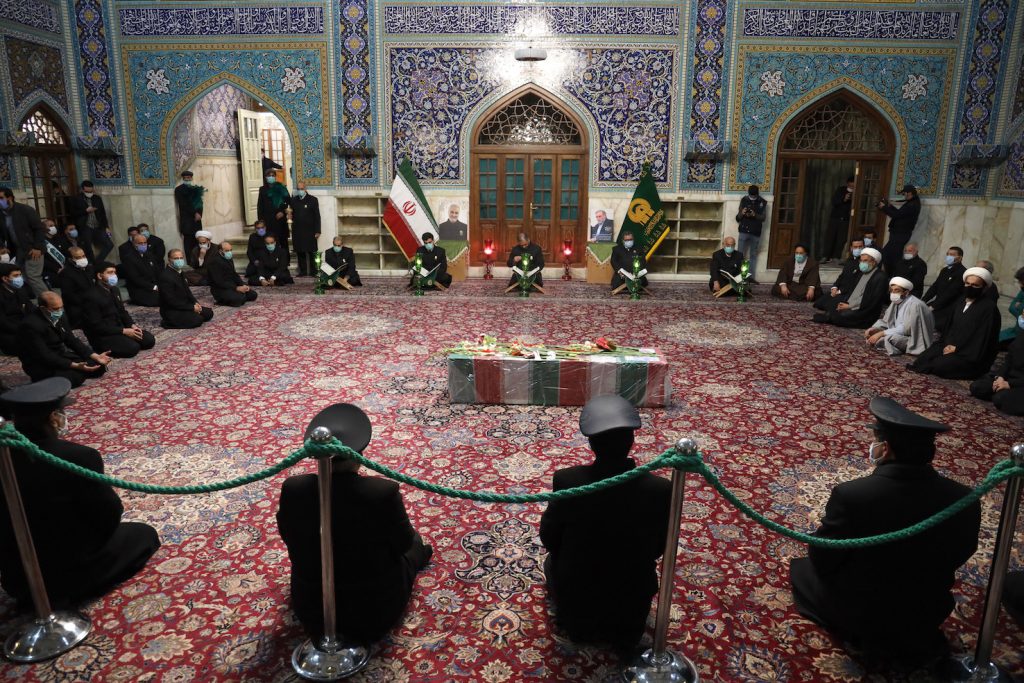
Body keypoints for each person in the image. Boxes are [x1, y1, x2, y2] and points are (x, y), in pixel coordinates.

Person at [789, 397, 980, 666]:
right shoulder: (964, 497)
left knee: (802, 569)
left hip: (863, 613)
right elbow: (963, 551)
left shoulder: (854, 496)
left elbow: (824, 556)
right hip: (926, 611)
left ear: (885, 448)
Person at [276, 403, 432, 645]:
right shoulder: (381, 492)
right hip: (373, 608)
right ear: (358, 455)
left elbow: (287, 536)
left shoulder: (294, 489)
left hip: (311, 606)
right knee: (417, 547)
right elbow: (402, 544)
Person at [0, 378, 160, 610]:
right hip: (67, 575)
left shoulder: (4, 456)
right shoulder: (78, 457)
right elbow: (108, 516)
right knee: (144, 535)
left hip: (17, 580)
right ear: (54, 418)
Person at [539, 395, 671, 649]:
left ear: (591, 443)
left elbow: (549, 538)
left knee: (549, 563)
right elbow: (658, 548)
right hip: (630, 613)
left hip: (579, 612)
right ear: (632, 440)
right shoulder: (660, 488)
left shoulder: (568, 480)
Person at [910, 267, 1001, 379]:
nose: (970, 287)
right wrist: (948, 344)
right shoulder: (960, 302)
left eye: (975, 285)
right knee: (924, 357)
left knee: (939, 365)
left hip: (970, 354)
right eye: (967, 284)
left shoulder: (989, 308)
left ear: (984, 288)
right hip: (951, 345)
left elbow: (982, 339)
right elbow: (950, 328)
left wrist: (957, 349)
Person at [18, 291, 110, 386]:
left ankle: (77, 371)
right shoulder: (30, 325)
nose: (60, 311)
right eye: (55, 309)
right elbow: (44, 355)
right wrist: (75, 366)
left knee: (99, 366)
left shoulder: (60, 316)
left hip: (60, 355)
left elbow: (71, 340)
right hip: (41, 364)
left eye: (61, 307)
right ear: (43, 308)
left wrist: (95, 356)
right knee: (76, 377)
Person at [81, 262, 156, 359]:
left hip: (120, 328)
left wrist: (131, 325)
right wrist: (123, 331)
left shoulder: (115, 290)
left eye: (114, 272)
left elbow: (122, 312)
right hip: (104, 335)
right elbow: (97, 326)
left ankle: (125, 340)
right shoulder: (91, 296)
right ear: (99, 275)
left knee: (149, 340)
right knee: (133, 348)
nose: (114, 275)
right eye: (110, 272)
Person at [812, 247, 888, 328]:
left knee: (841, 315)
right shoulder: (862, 273)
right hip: (853, 305)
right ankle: (831, 316)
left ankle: (831, 317)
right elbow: (853, 292)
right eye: (861, 260)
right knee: (833, 305)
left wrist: (850, 306)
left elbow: (873, 301)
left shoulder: (880, 277)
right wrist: (845, 303)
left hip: (866, 312)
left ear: (874, 262)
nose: (862, 263)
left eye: (865, 261)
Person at [864, 277, 935, 356]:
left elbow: (906, 329)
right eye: (891, 290)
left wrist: (881, 333)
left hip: (913, 338)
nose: (893, 293)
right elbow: (886, 321)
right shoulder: (896, 302)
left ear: (906, 292)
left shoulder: (915, 305)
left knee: (889, 338)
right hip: (898, 333)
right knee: (875, 335)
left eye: (897, 290)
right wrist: (874, 329)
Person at [0, 186, 48, 298]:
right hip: (17, 251)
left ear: (10, 198)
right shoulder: (1, 214)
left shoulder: (25, 210)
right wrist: (2, 246)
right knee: (18, 276)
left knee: (33, 276)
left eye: (1, 198)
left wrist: (38, 247)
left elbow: (39, 229)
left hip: (33, 249)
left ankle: (49, 302)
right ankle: (26, 302)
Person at [970, 321, 1024, 415]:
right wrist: (1000, 377)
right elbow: (1008, 360)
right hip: (1009, 379)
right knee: (977, 387)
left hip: (1019, 384)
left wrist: (1010, 384)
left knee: (1000, 398)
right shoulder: (1021, 336)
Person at [158, 249, 213, 329]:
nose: (179, 260)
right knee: (198, 320)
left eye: (181, 258)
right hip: (172, 310)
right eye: (176, 258)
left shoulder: (179, 272)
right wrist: (191, 308)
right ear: (169, 259)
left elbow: (187, 292)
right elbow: (170, 301)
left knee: (209, 313)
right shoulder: (165, 277)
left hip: (185, 305)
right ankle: (167, 322)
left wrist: (195, 303)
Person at [922, 246, 967, 331]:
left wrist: (934, 306)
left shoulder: (962, 272)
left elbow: (952, 292)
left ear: (960, 257)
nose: (948, 256)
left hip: (950, 307)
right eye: (947, 254)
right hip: (939, 303)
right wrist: (924, 300)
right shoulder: (944, 270)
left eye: (952, 254)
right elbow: (935, 287)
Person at [878, 184, 921, 271]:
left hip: (900, 234)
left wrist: (883, 208)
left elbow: (896, 215)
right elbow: (900, 214)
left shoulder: (912, 204)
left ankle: (893, 274)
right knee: (892, 255)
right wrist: (889, 206)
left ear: (909, 193)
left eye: (904, 193)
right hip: (899, 233)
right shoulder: (912, 202)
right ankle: (891, 274)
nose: (903, 195)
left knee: (889, 254)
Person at [814, 238, 864, 311]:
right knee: (818, 303)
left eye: (860, 247)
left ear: (864, 247)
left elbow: (856, 283)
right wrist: (834, 287)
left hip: (849, 293)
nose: (858, 249)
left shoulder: (863, 264)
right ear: (851, 248)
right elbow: (842, 276)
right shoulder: (849, 261)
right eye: (855, 247)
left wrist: (839, 292)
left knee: (829, 307)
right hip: (840, 290)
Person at [70, 180, 114, 262]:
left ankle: (98, 261)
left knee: (109, 245)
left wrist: (106, 227)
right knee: (87, 248)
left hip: (98, 226)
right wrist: (85, 211)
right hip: (85, 226)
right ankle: (92, 265)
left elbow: (102, 213)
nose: (89, 193)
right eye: (87, 191)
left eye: (91, 191)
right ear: (83, 190)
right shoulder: (76, 199)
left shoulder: (97, 198)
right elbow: (72, 213)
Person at [207, 242, 257, 306]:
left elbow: (234, 274)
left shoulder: (228, 258)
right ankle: (221, 301)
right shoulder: (214, 262)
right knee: (239, 299)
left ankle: (238, 295)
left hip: (231, 285)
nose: (229, 252)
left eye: (231, 250)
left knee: (253, 295)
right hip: (220, 289)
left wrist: (242, 284)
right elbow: (219, 282)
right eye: (227, 251)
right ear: (220, 251)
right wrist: (236, 288)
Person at [119, 233, 163, 307]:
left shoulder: (149, 255)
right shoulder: (129, 259)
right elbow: (135, 279)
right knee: (161, 300)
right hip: (140, 289)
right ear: (134, 244)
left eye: (145, 243)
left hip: (153, 285)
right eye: (140, 243)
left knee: (170, 293)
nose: (143, 245)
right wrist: (153, 287)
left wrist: (161, 284)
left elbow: (157, 271)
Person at [56, 247, 94, 329]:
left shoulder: (89, 268)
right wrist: (88, 302)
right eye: (78, 257)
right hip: (78, 308)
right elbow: (69, 295)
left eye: (83, 256)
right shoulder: (66, 273)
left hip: (91, 303)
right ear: (70, 259)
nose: (82, 259)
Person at [0, 263, 34, 355]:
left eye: (20, 275)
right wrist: (24, 330)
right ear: (5, 279)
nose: (19, 278)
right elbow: (3, 323)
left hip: (25, 327)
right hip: (9, 332)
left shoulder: (21, 290)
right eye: (15, 276)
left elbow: (31, 309)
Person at [736, 185, 767, 281]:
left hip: (756, 231)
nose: (752, 198)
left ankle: (750, 277)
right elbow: (738, 218)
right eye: (751, 196)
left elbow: (763, 218)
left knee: (753, 255)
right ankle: (739, 276)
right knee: (740, 254)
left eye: (754, 196)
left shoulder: (762, 202)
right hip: (744, 230)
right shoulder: (744, 200)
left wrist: (755, 215)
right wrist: (742, 212)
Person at [257, 173, 291, 258]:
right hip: (268, 220)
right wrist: (261, 221)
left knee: (282, 241)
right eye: (269, 176)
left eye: (272, 175)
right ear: (266, 177)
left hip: (280, 220)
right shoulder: (263, 189)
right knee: (269, 241)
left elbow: (287, 201)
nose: (270, 177)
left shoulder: (281, 187)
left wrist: (283, 212)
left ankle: (285, 262)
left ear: (275, 177)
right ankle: (271, 261)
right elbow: (260, 205)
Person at [291, 182, 320, 277]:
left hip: (310, 230)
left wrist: (317, 230)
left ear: (305, 189)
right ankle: (302, 271)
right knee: (300, 251)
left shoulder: (313, 200)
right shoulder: (294, 200)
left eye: (301, 188)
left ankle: (314, 271)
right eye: (298, 189)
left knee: (311, 251)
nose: (300, 191)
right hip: (298, 230)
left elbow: (317, 216)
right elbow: (291, 214)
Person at [821, 176, 853, 263]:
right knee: (830, 237)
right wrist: (844, 199)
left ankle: (836, 256)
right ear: (847, 183)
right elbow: (834, 202)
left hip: (846, 219)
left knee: (841, 239)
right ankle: (825, 256)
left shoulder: (857, 192)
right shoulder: (840, 190)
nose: (852, 186)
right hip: (835, 217)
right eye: (850, 185)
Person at [174, 170, 203, 256]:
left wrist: (199, 213)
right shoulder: (179, 189)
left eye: (189, 178)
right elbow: (184, 204)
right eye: (185, 178)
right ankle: (190, 262)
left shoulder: (196, 189)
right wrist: (195, 213)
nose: (187, 179)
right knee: (188, 243)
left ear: (191, 178)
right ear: (182, 179)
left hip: (196, 221)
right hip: (187, 221)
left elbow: (200, 203)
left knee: (198, 242)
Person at [999, 267, 1024, 346]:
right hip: (1016, 330)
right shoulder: (1023, 291)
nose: (1020, 285)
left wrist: (1020, 307)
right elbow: (1012, 307)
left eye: (1022, 282)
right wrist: (1021, 313)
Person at [41, 218, 65, 288]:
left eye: (54, 225)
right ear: (44, 228)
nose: (53, 227)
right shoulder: (42, 242)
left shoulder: (58, 239)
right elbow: (43, 260)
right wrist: (56, 269)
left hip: (63, 268)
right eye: (50, 225)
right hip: (51, 272)